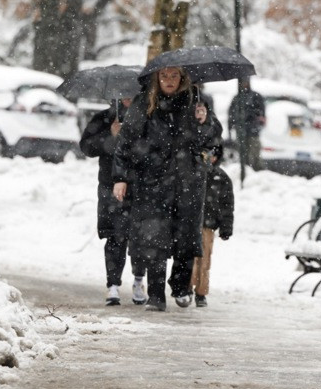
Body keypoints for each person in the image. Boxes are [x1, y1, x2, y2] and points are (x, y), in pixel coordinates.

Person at [112, 66, 222, 311]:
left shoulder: (196, 101)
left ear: (182, 78)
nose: (169, 81)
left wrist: (204, 123)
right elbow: (126, 142)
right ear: (156, 78)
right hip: (153, 181)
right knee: (155, 239)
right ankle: (156, 295)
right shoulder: (144, 104)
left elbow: (213, 141)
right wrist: (121, 177)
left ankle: (181, 286)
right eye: (164, 76)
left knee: (186, 237)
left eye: (174, 76)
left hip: (188, 182)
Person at [80, 97, 147, 306]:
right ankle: (113, 284)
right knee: (115, 236)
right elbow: (86, 147)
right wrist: (110, 135)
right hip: (110, 186)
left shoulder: (146, 117)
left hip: (139, 185)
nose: (127, 98)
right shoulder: (104, 118)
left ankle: (138, 281)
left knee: (140, 237)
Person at [190, 145, 234, 307]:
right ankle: (187, 287)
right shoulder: (194, 174)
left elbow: (227, 205)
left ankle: (200, 292)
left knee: (204, 260)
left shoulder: (221, 178)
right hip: (191, 222)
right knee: (189, 258)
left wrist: (226, 226)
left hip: (207, 224)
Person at [228, 78, 265, 170]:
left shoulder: (256, 96)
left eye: (246, 82)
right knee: (243, 155)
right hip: (241, 131)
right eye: (243, 82)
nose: (244, 84)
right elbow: (231, 114)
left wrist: (255, 121)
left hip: (253, 131)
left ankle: (256, 172)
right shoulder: (237, 98)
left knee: (255, 155)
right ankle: (246, 171)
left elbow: (261, 115)